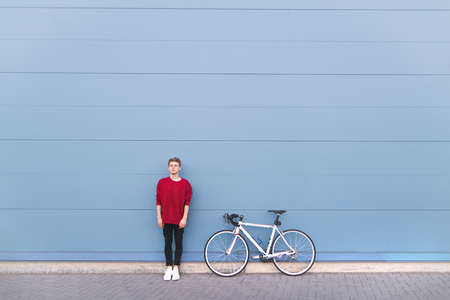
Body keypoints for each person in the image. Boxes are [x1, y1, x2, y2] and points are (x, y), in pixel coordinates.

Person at [156, 157, 192, 281]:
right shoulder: (162, 182)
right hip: (166, 218)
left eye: (175, 165)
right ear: (168, 168)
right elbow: (158, 201)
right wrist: (159, 217)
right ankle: (169, 267)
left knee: (178, 242)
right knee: (167, 242)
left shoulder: (185, 184)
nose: (173, 167)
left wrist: (184, 218)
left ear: (179, 168)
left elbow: (187, 202)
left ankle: (176, 268)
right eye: (171, 165)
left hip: (179, 219)